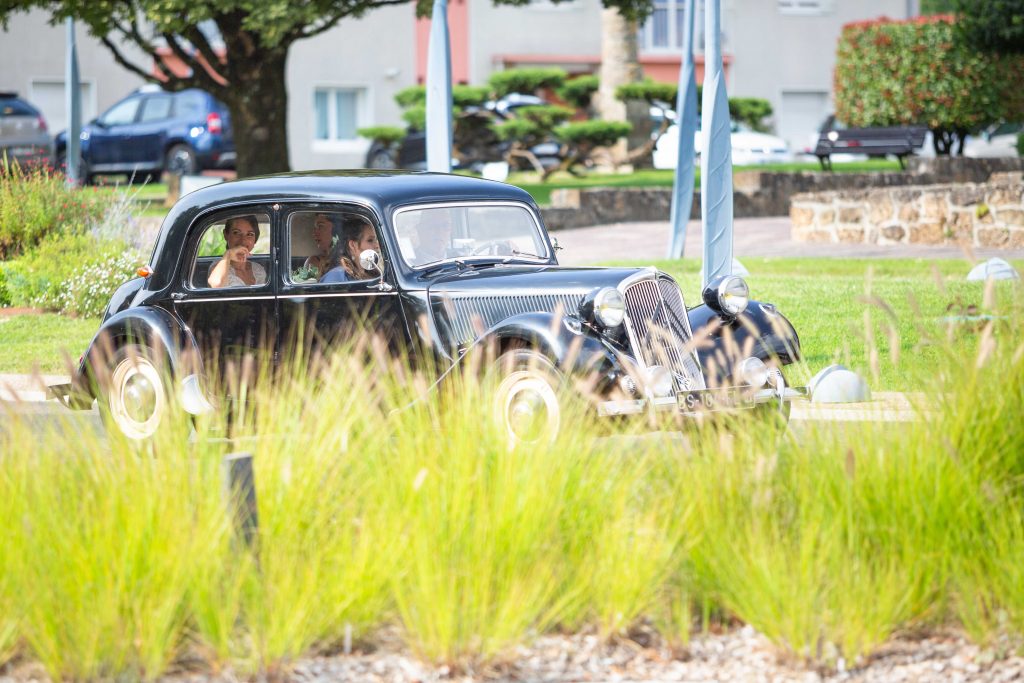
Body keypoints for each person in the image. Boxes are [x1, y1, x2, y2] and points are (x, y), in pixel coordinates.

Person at [207, 215, 266, 288]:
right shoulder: (219, 267)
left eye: (249, 234)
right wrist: (228, 255)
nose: (243, 240)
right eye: (236, 233)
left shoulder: (258, 270)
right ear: (226, 235)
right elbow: (216, 284)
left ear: (255, 240)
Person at [320, 217, 381, 284]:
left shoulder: (374, 274)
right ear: (352, 245)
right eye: (370, 240)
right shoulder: (337, 277)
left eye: (376, 240)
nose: (377, 245)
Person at [304, 213, 339, 277]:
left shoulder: (350, 261)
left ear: (336, 229)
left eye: (320, 226)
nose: (314, 233)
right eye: (315, 228)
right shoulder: (314, 262)